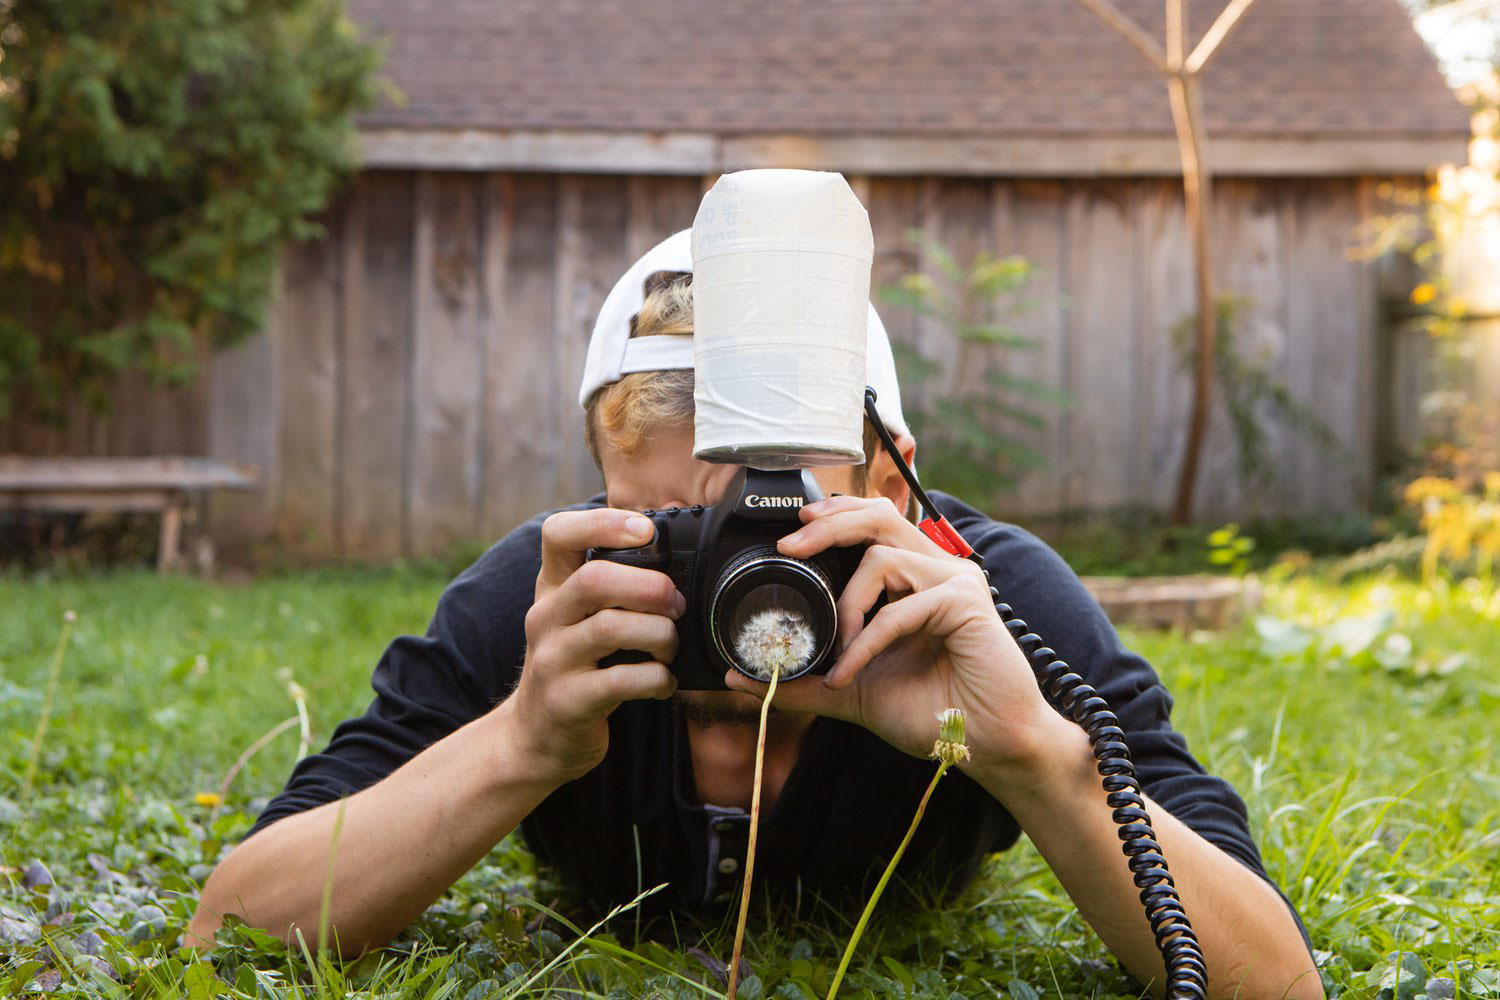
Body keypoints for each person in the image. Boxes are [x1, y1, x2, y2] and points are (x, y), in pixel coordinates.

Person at [189, 230, 1322, 998]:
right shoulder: (553, 600)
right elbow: (234, 924)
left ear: (893, 485)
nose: (733, 582)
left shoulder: (988, 600)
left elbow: (1276, 976)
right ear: (602, 495)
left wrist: (1028, 750)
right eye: (678, 532)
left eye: (778, 525)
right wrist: (522, 741)